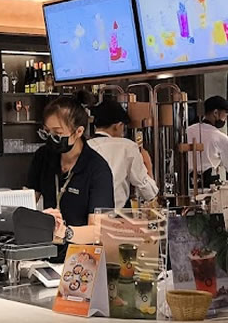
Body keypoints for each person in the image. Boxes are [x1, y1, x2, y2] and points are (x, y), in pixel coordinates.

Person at [28, 95, 115, 245]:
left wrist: (64, 232)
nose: (51, 139)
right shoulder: (43, 156)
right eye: (47, 132)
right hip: (45, 249)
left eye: (57, 134)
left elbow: (98, 231)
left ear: (79, 132)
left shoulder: (97, 169)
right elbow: (28, 200)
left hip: (80, 253)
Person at [88, 100, 158, 208]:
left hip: (86, 213)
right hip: (114, 213)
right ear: (118, 125)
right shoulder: (127, 146)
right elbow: (148, 191)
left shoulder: (85, 146)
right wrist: (148, 165)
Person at [185, 95, 228, 186]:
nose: (225, 119)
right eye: (225, 114)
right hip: (209, 186)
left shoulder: (187, 131)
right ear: (216, 113)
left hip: (185, 185)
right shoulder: (221, 138)